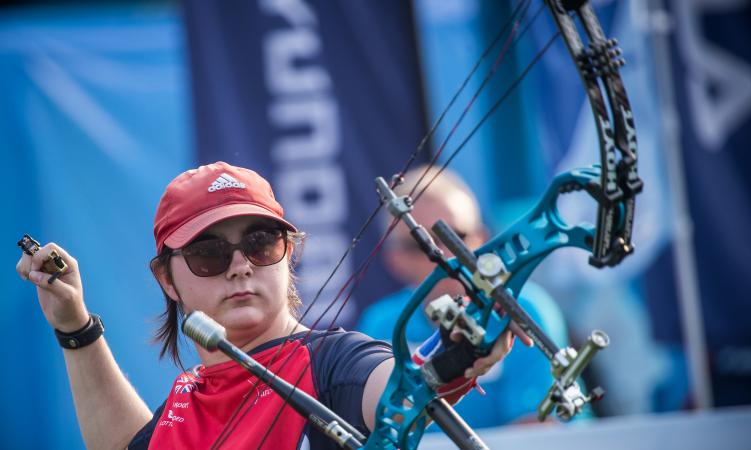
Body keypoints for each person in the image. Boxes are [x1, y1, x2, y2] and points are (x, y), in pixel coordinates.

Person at [15, 161, 524, 449]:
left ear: (289, 254)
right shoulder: (184, 402)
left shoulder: (335, 364)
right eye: (208, 253)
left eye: (260, 243)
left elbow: (399, 388)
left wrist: (453, 355)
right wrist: (74, 326)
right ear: (166, 279)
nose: (240, 266)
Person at [358, 165, 572, 428]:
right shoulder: (382, 323)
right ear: (393, 258)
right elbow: (382, 427)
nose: (441, 256)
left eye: (454, 238)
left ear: (482, 239)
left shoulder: (523, 309)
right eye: (417, 245)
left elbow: (537, 429)